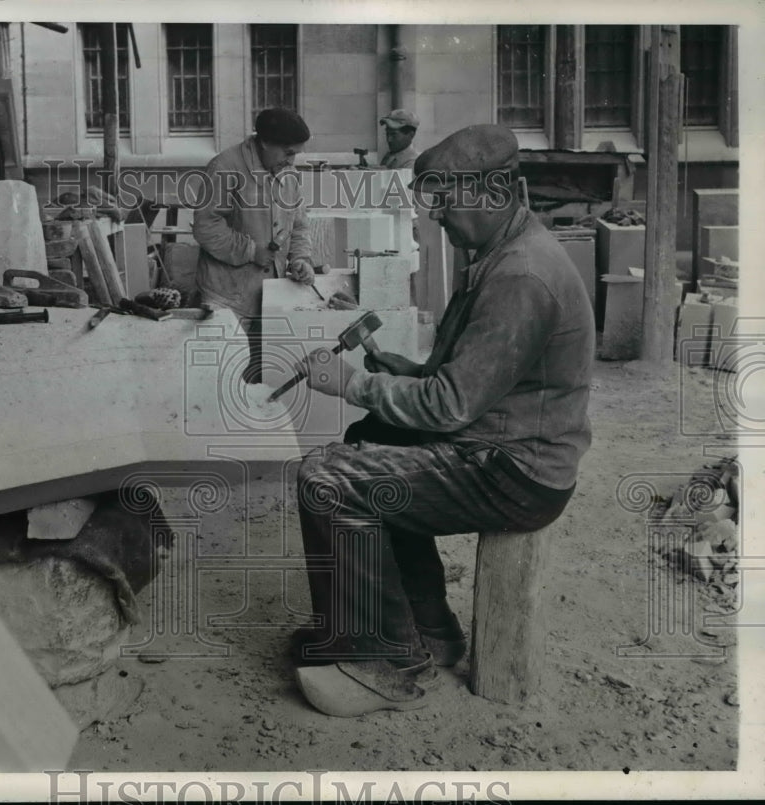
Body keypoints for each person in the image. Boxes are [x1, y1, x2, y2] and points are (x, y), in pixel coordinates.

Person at [290, 124, 595, 717]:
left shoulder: (520, 275)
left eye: (444, 200)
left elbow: (451, 406)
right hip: (502, 445)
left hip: (516, 472)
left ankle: (385, 662)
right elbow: (469, 378)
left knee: (328, 482)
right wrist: (407, 368)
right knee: (367, 440)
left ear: (492, 190)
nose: (436, 217)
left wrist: (353, 382)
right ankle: (427, 630)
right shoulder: (500, 253)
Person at [193, 108, 316, 383]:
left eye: (295, 153)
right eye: (288, 152)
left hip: (269, 296)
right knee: (222, 382)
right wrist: (250, 251)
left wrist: (301, 259)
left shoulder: (288, 173)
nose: (292, 160)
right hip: (226, 298)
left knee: (259, 380)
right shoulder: (224, 167)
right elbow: (206, 226)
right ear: (264, 143)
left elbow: (299, 223)